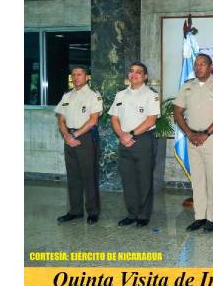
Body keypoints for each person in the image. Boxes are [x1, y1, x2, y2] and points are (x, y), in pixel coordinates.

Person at [173, 53, 213, 233]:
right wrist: (189, 133)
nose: (198, 67)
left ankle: (211, 218)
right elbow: (177, 112)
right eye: (196, 64)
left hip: (211, 139)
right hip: (192, 139)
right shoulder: (187, 86)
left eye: (202, 64)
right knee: (197, 180)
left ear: (211, 67)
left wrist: (206, 133)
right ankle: (199, 216)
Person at [108, 62, 160, 227]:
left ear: (145, 77)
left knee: (144, 179)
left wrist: (130, 134)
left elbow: (151, 120)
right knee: (128, 179)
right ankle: (132, 214)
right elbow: (114, 118)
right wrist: (122, 135)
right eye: (131, 71)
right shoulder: (120, 95)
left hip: (143, 139)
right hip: (124, 139)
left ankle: (143, 215)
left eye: (138, 72)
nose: (134, 74)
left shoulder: (151, 95)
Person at [54, 66, 103, 224]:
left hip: (85, 138)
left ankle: (93, 212)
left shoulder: (93, 96)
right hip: (69, 137)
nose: (76, 77)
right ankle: (75, 211)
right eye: (73, 74)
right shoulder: (67, 96)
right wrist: (67, 135)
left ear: (87, 77)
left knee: (89, 176)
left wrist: (74, 135)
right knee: (73, 176)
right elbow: (61, 119)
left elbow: (93, 120)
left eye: (79, 74)